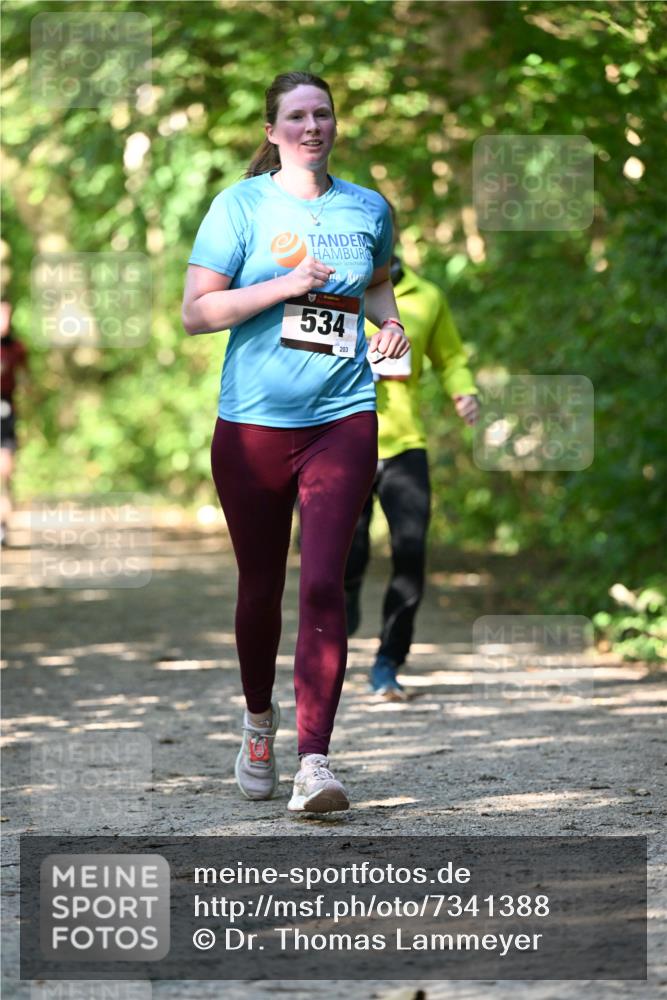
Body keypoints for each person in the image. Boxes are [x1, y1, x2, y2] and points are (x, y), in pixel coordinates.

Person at [182, 72, 409, 813]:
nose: (313, 126)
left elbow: (373, 286)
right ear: (273, 129)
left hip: (342, 418)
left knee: (324, 582)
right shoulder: (238, 206)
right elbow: (197, 312)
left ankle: (315, 760)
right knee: (260, 588)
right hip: (251, 427)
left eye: (323, 114)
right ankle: (257, 724)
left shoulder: (367, 207)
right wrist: (283, 286)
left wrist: (390, 322)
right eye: (298, 116)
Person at [344, 204, 480, 699]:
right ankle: (345, 604)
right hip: (342, 440)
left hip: (404, 443)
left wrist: (463, 391)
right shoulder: (334, 288)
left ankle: (387, 661)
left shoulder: (426, 297)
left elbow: (451, 358)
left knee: (411, 553)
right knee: (345, 552)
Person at [1, 299, 28, 547]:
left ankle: (2, 524)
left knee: (4, 470)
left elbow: (25, 379)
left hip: (6, 410)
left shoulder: (16, 349)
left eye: (7, 315)